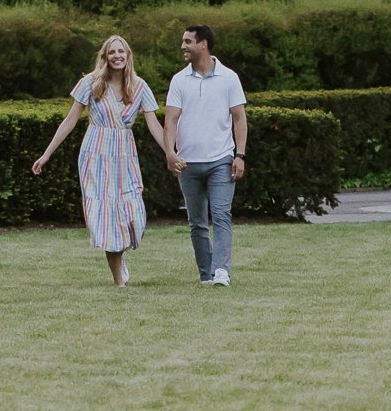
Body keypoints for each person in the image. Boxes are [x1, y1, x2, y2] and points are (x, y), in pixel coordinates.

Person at [32, 34, 172, 287]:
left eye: (122, 51)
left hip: (124, 154)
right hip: (95, 153)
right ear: (105, 57)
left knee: (133, 211)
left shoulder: (140, 86)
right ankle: (119, 281)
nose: (117, 56)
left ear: (128, 56)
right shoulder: (90, 83)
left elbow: (154, 125)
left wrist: (171, 153)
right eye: (112, 52)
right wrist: (46, 153)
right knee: (106, 217)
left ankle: (122, 253)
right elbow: (70, 120)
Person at [165, 24, 247, 287]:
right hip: (188, 164)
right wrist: (170, 153)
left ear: (203, 44)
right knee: (197, 222)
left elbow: (239, 118)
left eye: (188, 41)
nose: (183, 46)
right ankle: (206, 275)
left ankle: (222, 270)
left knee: (221, 215)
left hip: (221, 160)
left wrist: (240, 155)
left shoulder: (229, 78)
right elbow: (171, 120)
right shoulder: (179, 80)